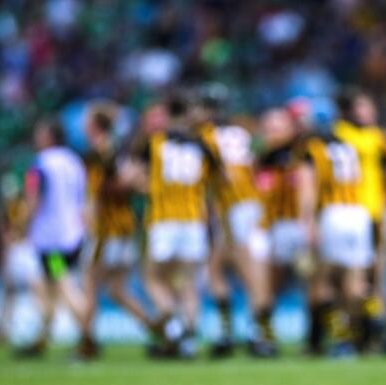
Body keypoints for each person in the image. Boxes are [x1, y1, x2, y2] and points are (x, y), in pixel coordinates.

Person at [126, 95, 222, 359]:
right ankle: (189, 338)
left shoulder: (155, 142)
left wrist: (151, 189)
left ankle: (172, 323)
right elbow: (217, 180)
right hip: (194, 221)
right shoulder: (202, 145)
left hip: (163, 220)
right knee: (188, 283)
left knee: (154, 278)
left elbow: (133, 179)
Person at [193, 95, 271, 358]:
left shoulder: (204, 136)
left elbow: (212, 177)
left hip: (232, 206)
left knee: (237, 268)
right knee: (232, 267)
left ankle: (250, 333)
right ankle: (254, 331)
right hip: (253, 203)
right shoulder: (240, 131)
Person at [333, 90, 386, 354]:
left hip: (374, 216)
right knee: (350, 276)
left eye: (368, 105)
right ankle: (364, 328)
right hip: (346, 215)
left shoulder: (382, 139)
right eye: (361, 106)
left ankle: (375, 330)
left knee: (377, 274)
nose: (367, 111)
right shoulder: (338, 134)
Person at [82, 102, 156, 345]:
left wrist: (89, 216)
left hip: (106, 230)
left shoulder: (101, 153)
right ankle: (158, 330)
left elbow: (103, 191)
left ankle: (86, 343)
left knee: (90, 285)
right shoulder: (118, 152)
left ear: (94, 125)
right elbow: (139, 185)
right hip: (125, 230)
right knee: (117, 290)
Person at [20, 119, 92, 358]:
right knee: (50, 287)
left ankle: (87, 337)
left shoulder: (41, 163)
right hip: (74, 234)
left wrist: (23, 223)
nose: (36, 137)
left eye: (40, 133)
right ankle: (41, 339)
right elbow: (83, 199)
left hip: (52, 239)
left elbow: (33, 197)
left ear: (50, 137)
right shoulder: (75, 162)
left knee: (63, 283)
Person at [304, 113, 374, 357]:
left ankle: (341, 338)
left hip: (332, 215)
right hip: (358, 213)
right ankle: (372, 324)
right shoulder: (349, 148)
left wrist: (309, 223)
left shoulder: (313, 149)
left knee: (322, 281)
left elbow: (308, 190)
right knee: (355, 282)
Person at [250, 107, 317, 357]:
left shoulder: (300, 153)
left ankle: (316, 336)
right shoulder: (258, 154)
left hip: (294, 225)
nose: (271, 132)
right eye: (267, 127)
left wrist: (307, 221)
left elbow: (308, 187)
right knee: (266, 284)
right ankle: (264, 335)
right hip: (266, 226)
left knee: (311, 280)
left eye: (276, 127)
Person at [0, 173, 43, 341]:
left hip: (22, 249)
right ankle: (4, 327)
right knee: (17, 290)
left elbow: (6, 235)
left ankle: (5, 327)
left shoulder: (13, 208)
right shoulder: (15, 207)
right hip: (21, 249)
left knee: (20, 289)